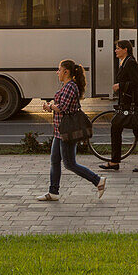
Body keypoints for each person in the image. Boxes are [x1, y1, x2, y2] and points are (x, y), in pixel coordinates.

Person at [38, 59, 106, 201]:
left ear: (66, 72)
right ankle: (53, 192)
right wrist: (52, 105)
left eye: (59, 70)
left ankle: (98, 180)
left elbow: (63, 107)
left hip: (66, 131)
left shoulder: (70, 87)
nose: (57, 73)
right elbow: (62, 105)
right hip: (59, 131)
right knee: (55, 161)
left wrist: (49, 107)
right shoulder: (67, 86)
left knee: (70, 164)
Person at [100, 40, 138, 173]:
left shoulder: (130, 63)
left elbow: (137, 82)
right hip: (127, 103)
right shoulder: (125, 62)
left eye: (118, 48)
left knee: (137, 132)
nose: (115, 51)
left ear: (125, 49)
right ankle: (116, 160)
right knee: (120, 128)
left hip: (132, 104)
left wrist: (120, 85)